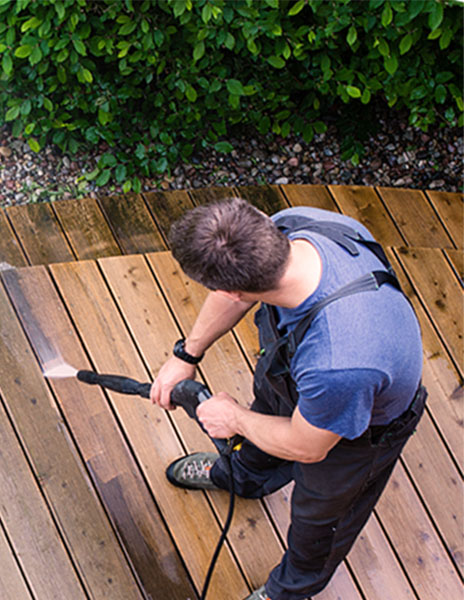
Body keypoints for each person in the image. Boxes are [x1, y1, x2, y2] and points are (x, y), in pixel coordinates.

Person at [150, 197, 425, 600]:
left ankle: (289, 591)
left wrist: (234, 419)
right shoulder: (294, 226)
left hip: (356, 432)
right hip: (295, 377)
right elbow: (239, 296)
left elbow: (307, 446)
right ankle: (241, 476)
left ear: (226, 287)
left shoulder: (340, 360)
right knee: (259, 435)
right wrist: (186, 355)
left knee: (319, 522)